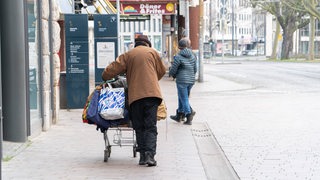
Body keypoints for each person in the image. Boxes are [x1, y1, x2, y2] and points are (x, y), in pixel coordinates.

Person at [101, 35, 166, 167]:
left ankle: (142, 156)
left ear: (136, 44)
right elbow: (162, 71)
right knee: (150, 126)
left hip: (135, 96)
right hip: (152, 95)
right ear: (148, 44)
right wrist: (152, 80)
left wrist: (105, 76)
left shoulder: (129, 54)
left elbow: (111, 70)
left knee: (139, 126)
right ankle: (150, 156)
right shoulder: (153, 53)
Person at [169, 38, 197, 125]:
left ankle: (189, 115)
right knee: (182, 97)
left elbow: (174, 68)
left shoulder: (178, 56)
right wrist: (191, 76)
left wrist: (172, 74)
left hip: (182, 80)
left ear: (179, 47)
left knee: (183, 98)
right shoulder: (193, 55)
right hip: (191, 80)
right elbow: (195, 69)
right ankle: (180, 114)